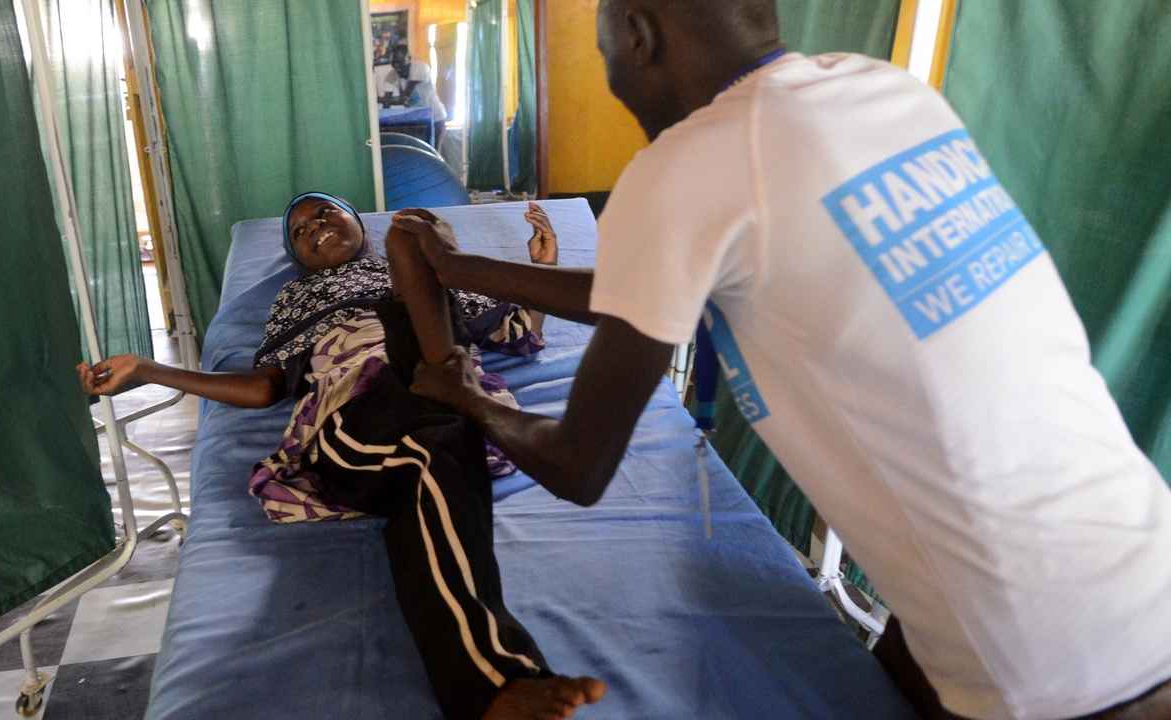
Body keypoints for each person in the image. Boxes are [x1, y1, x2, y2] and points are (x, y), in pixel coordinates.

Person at [390, 2, 1171, 719]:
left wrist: (472, 397)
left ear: (638, 34)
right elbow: (644, 294)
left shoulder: (688, 163)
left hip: (1054, 669)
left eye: (605, 56)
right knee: (905, 656)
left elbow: (578, 465)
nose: (615, 80)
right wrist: (463, 272)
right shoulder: (887, 93)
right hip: (1142, 563)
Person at [78, 193, 604, 720]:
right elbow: (264, 388)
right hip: (358, 410)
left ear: (362, 228)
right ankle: (499, 683)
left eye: (328, 213)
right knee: (437, 440)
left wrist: (543, 267)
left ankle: (498, 689)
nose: (317, 226)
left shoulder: (429, 270)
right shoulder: (299, 299)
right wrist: (148, 370)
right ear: (296, 260)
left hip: (447, 396)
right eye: (301, 231)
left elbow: (516, 332)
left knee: (435, 453)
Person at [384, 43, 448, 148]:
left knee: (433, 151)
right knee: (418, 151)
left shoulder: (420, 68)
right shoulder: (392, 76)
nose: (397, 67)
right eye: (394, 63)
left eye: (400, 62)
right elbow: (386, 104)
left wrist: (379, 100)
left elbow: (406, 96)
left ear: (409, 58)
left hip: (435, 117)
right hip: (418, 120)